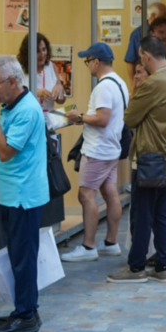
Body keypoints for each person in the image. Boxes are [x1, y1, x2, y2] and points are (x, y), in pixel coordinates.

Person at [108, 36, 166, 284]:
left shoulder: (153, 83)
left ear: (146, 56)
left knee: (142, 214)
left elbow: (130, 117)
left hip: (150, 158)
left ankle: (136, 267)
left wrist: (136, 88)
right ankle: (162, 266)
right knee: (164, 214)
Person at [0, 56, 49, 332]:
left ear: (12, 81)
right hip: (12, 192)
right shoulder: (11, 106)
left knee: (23, 258)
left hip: (24, 196)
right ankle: (26, 307)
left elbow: (5, 151)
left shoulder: (26, 111)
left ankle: (26, 315)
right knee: (17, 256)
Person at [60, 43, 127, 262]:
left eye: (87, 61)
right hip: (111, 148)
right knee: (110, 193)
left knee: (86, 195)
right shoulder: (119, 83)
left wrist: (79, 117)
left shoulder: (103, 87)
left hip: (98, 149)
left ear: (96, 62)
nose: (87, 65)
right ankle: (110, 242)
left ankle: (88, 246)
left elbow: (102, 118)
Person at [125, 2, 166, 87]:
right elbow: (130, 61)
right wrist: (132, 85)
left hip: (164, 80)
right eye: (165, 14)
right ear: (153, 15)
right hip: (144, 82)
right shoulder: (137, 34)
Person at [17, 33, 66, 113]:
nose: (42, 54)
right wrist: (34, 92)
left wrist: (60, 89)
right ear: (28, 52)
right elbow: (12, 98)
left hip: (48, 118)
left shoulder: (52, 66)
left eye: (44, 49)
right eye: (37, 51)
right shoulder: (19, 69)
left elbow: (61, 101)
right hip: (27, 117)